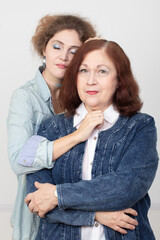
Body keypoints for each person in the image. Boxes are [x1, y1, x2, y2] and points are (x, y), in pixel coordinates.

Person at [25, 39, 159, 239]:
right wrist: (96, 215)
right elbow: (37, 201)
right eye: (83, 71)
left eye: (102, 71)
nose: (91, 80)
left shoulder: (140, 127)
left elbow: (125, 188)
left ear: (119, 79)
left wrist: (56, 195)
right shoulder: (49, 127)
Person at [7, 14, 98, 240]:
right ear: (43, 49)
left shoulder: (84, 96)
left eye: (75, 51)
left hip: (78, 213)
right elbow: (19, 159)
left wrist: (93, 51)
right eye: (57, 46)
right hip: (36, 218)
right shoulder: (25, 98)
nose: (64, 57)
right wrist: (77, 136)